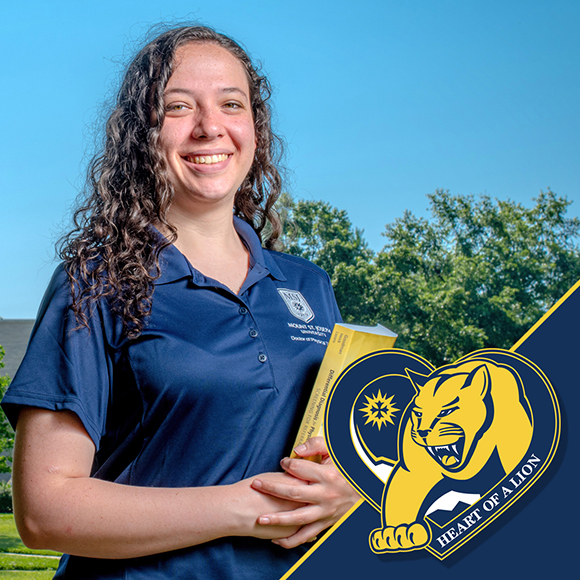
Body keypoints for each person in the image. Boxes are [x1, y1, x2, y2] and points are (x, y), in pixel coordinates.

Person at [1, 25, 359, 580]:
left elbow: (336, 452)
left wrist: (350, 489)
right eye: (177, 107)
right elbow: (45, 511)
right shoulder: (95, 282)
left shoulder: (307, 286)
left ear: (256, 129)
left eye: (231, 104)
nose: (209, 127)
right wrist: (246, 509)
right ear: (141, 134)